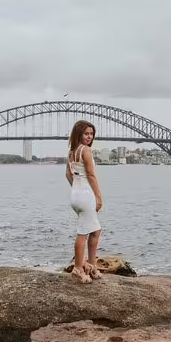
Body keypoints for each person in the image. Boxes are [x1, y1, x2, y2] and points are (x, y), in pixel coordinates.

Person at [65, 120, 103, 283]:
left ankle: (90, 265)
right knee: (84, 233)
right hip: (86, 195)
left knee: (95, 231)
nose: (89, 136)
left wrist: (77, 189)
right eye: (86, 133)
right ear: (78, 134)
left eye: (91, 133)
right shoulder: (86, 151)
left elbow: (68, 175)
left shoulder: (72, 151)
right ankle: (78, 268)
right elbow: (92, 176)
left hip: (76, 195)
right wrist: (98, 197)